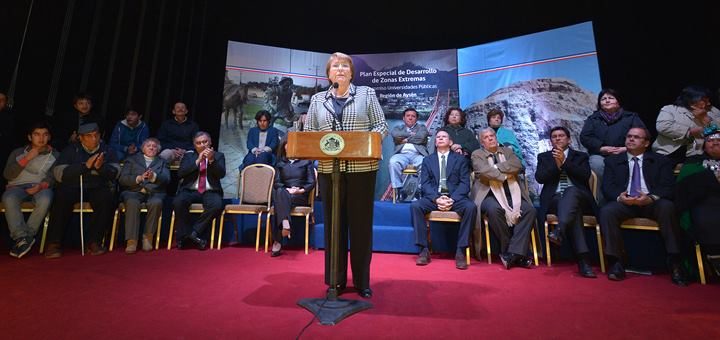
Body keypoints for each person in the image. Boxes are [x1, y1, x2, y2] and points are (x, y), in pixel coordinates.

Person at [304, 52, 388, 298]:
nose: (340, 69)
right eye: (335, 66)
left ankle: (362, 281)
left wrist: (366, 142)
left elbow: (381, 126)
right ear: (329, 74)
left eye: (344, 66)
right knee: (334, 225)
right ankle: (335, 280)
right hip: (330, 171)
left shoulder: (366, 94)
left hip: (362, 170)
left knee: (361, 227)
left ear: (351, 73)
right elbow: (309, 132)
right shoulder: (318, 100)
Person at [599, 127, 688, 286]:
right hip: (625, 202)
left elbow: (667, 187)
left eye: (636, 137)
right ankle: (616, 262)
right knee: (607, 211)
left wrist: (651, 198)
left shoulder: (660, 161)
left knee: (667, 207)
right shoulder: (612, 161)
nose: (631, 139)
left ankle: (675, 261)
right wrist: (620, 197)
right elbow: (607, 187)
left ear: (646, 143)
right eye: (629, 136)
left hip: (650, 202)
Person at [44, 122, 119, 258]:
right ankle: (53, 243)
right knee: (61, 198)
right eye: (89, 136)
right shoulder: (71, 150)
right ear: (81, 138)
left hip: (97, 186)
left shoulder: (107, 150)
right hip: (73, 186)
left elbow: (115, 173)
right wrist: (85, 166)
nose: (94, 139)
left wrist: (100, 167)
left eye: (96, 136)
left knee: (106, 199)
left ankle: (94, 242)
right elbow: (59, 173)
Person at [535, 126, 597, 278]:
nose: (557, 138)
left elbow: (584, 175)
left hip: (580, 197)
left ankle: (559, 231)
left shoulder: (580, 156)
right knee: (573, 210)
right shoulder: (544, 157)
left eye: (561, 136)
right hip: (554, 199)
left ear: (568, 139)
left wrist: (565, 162)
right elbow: (540, 178)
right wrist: (556, 166)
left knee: (571, 192)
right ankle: (583, 260)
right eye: (554, 136)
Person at [411, 129, 476, 269]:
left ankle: (460, 250)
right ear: (435, 142)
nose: (440, 138)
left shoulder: (460, 160)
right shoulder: (427, 160)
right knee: (416, 206)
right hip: (435, 198)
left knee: (471, 207)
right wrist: (436, 199)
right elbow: (425, 184)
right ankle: (423, 250)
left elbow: (465, 184)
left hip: (454, 198)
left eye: (444, 136)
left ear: (450, 142)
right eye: (438, 137)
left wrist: (452, 199)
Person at [471, 128, 535, 269]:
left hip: (512, 192)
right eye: (486, 137)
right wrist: (504, 174)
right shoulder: (477, 154)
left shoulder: (508, 151)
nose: (490, 138)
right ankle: (517, 252)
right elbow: (483, 171)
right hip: (488, 194)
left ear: (496, 137)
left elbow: (517, 165)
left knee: (529, 210)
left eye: (492, 136)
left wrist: (495, 167)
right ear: (482, 142)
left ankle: (511, 253)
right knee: (495, 210)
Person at [2, 122, 59, 258]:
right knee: (9, 198)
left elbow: (54, 177)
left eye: (45, 134)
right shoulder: (18, 152)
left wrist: (41, 186)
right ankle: (22, 237)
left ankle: (24, 238)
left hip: (40, 187)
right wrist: (27, 158)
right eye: (36, 134)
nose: (41, 138)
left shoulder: (55, 154)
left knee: (46, 198)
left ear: (49, 137)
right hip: (17, 186)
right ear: (29, 137)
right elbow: (8, 174)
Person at [580, 88, 646, 203]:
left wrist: (627, 148)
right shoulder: (593, 119)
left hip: (626, 152)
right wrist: (601, 148)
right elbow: (585, 137)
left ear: (618, 101)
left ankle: (630, 196)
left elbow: (642, 134)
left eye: (610, 98)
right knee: (596, 164)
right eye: (603, 99)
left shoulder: (631, 117)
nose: (607, 101)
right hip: (601, 154)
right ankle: (604, 201)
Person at [675, 125, 720, 276]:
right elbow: (683, 192)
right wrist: (712, 179)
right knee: (707, 216)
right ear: (704, 146)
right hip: (703, 204)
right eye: (710, 141)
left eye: (719, 140)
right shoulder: (692, 164)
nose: (715, 143)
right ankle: (714, 257)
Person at [172, 131, 225, 250]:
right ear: (195, 145)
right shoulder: (188, 156)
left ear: (210, 142)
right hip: (190, 190)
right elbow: (181, 173)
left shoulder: (219, 156)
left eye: (205, 142)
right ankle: (187, 235)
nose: (203, 145)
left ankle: (193, 233)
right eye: (199, 143)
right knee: (178, 202)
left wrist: (211, 161)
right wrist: (197, 161)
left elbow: (221, 174)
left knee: (216, 205)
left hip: (210, 190)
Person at [117, 138, 170, 253]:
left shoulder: (162, 162)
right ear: (143, 148)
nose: (151, 148)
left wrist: (154, 177)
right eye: (148, 145)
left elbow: (166, 179)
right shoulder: (131, 160)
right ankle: (132, 240)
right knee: (132, 202)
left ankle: (148, 237)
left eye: (154, 146)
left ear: (158, 150)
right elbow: (122, 179)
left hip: (154, 192)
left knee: (156, 203)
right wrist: (139, 178)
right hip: (134, 191)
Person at [269, 138, 315, 257]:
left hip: (299, 196)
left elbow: (311, 182)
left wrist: (300, 190)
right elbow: (277, 182)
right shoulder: (280, 163)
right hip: (285, 192)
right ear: (284, 147)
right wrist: (287, 189)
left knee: (278, 199)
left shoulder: (306, 162)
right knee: (279, 191)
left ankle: (278, 241)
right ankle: (285, 223)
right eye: (288, 145)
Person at [653, 85, 718, 167]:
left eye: (708, 100)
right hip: (668, 153)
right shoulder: (670, 109)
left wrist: (705, 118)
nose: (708, 103)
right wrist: (689, 132)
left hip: (700, 154)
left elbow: (717, 131)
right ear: (692, 101)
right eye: (704, 100)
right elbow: (663, 127)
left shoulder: (713, 111)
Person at [389, 108, 429, 202]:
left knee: (425, 163)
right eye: (408, 116)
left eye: (413, 116)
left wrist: (405, 139)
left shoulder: (422, 127)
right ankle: (398, 189)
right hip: (401, 155)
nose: (410, 118)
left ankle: (419, 190)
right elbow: (395, 134)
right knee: (393, 162)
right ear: (403, 118)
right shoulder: (398, 128)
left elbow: (421, 137)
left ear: (416, 119)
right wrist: (412, 135)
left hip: (418, 154)